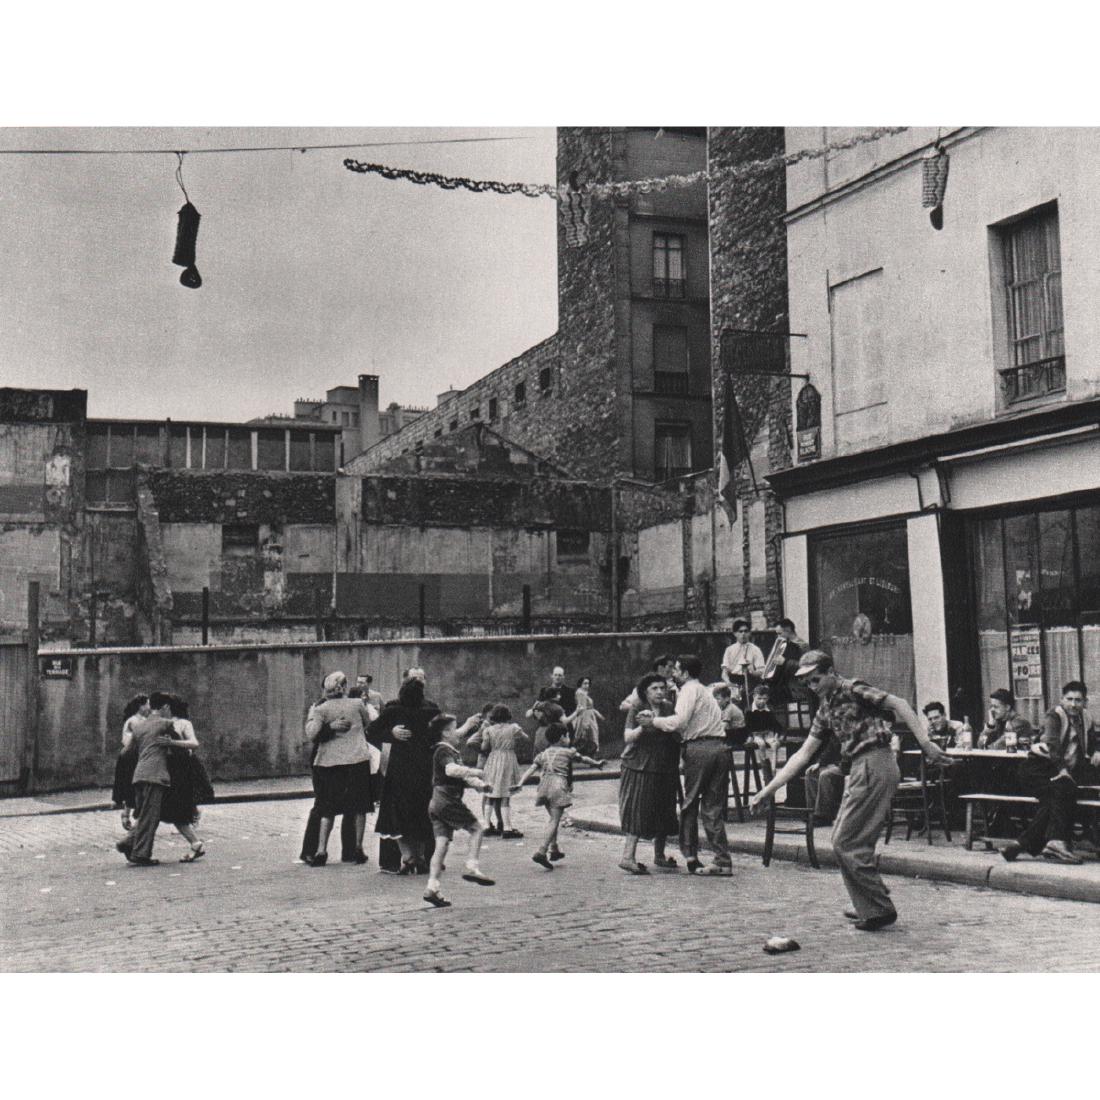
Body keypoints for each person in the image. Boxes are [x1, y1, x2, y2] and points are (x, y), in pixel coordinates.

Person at [749, 650, 953, 930]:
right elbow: (803, 754)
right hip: (860, 767)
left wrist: (926, 744)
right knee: (848, 838)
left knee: (845, 841)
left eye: (816, 679)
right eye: (807, 682)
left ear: (831, 672)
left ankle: (878, 908)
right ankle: (867, 903)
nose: (812, 686)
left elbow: (900, 704)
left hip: (875, 762)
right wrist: (768, 790)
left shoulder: (853, 687)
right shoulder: (825, 708)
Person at [639, 654, 733, 876]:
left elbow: (679, 722)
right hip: (719, 747)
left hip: (699, 749)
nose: (673, 672)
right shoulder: (704, 691)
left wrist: (653, 721)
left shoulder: (689, 690)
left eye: (677, 669)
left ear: (686, 672)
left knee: (690, 804)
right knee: (712, 807)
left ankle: (690, 855)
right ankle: (722, 860)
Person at [1001, 681, 1100, 865]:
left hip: (1056, 770)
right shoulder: (1054, 716)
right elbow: (1053, 745)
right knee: (1064, 791)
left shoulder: (1085, 717)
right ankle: (1055, 842)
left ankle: (1020, 845)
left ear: (1085, 702)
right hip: (1036, 769)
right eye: (1069, 699)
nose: (1073, 704)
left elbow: (1092, 739)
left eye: (1078, 700)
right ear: (1062, 699)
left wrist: (1097, 750)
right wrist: (1063, 770)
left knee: (1055, 800)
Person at [115, 691, 199, 866]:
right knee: (150, 818)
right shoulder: (166, 724)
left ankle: (127, 842)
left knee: (146, 814)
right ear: (165, 707)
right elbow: (186, 747)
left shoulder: (139, 726)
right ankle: (141, 854)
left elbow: (125, 753)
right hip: (156, 776)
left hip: (139, 775)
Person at [302, 672, 376, 867]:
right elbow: (369, 724)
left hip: (328, 762)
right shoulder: (355, 704)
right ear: (342, 687)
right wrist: (331, 727)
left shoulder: (320, 707)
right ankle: (354, 849)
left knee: (327, 807)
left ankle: (322, 850)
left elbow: (311, 733)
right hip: (355, 759)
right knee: (354, 806)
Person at [368, 676, 441, 874]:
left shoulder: (393, 712)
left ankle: (408, 857)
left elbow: (370, 732)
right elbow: (439, 737)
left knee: (397, 815)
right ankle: (420, 857)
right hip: (424, 769)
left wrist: (390, 734)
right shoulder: (431, 712)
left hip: (399, 770)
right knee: (420, 814)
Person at [423, 713, 496, 907]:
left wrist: (481, 786)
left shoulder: (448, 751)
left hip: (436, 801)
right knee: (477, 828)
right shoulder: (443, 751)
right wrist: (477, 772)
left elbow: (462, 777)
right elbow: (452, 771)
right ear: (446, 733)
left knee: (441, 845)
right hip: (447, 799)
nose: (458, 732)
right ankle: (472, 866)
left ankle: (432, 887)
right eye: (454, 728)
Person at [515, 722, 603, 870]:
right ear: (562, 737)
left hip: (543, 785)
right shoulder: (568, 752)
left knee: (552, 819)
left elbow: (531, 769)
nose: (568, 738)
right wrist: (597, 764)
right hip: (558, 785)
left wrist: (520, 783)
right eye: (567, 735)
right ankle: (542, 851)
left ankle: (554, 849)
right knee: (555, 820)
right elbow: (584, 759)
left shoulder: (543, 754)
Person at [618, 674, 680, 874]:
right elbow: (628, 737)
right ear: (646, 691)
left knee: (664, 808)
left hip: (664, 765)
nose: (660, 692)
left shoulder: (669, 707)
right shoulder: (637, 706)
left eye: (662, 688)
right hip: (640, 766)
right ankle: (628, 857)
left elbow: (677, 731)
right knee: (638, 809)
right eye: (655, 688)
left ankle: (659, 855)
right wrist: (642, 727)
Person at [159, 695, 212, 862]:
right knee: (171, 810)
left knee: (175, 811)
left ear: (168, 707)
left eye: (162, 707)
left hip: (182, 770)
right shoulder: (161, 724)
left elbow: (194, 743)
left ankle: (196, 843)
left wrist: (173, 743)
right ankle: (195, 841)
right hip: (170, 769)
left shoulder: (183, 723)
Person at [469, 704, 530, 839]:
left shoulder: (489, 730)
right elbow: (525, 738)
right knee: (505, 794)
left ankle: (486, 825)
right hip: (508, 759)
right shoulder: (513, 727)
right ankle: (507, 828)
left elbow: (485, 747)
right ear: (508, 716)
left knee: (491, 793)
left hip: (493, 759)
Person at [112, 693, 151, 831]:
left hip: (134, 756)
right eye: (147, 704)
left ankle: (127, 815)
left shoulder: (141, 720)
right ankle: (131, 816)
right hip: (132, 757)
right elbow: (134, 741)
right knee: (135, 786)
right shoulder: (135, 721)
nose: (149, 707)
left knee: (134, 787)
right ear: (141, 706)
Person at [762, 618, 806, 707]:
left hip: (795, 686)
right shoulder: (785, 644)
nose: (778, 637)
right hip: (784, 684)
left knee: (767, 695)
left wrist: (785, 662)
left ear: (788, 630)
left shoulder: (802, 645)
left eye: (780, 633)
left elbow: (805, 667)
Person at [721, 619, 765, 699]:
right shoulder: (729, 650)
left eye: (746, 631)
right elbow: (724, 673)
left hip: (751, 681)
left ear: (749, 633)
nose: (743, 634)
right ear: (735, 634)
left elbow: (761, 672)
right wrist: (729, 683)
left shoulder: (755, 650)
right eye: (740, 631)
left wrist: (752, 671)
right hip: (733, 681)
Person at [567, 676, 603, 758]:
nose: (587, 685)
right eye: (585, 683)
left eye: (588, 684)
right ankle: (584, 756)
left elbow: (590, 707)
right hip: (585, 717)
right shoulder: (580, 693)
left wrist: (596, 713)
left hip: (590, 716)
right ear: (580, 684)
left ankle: (591, 756)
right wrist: (585, 723)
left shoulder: (583, 693)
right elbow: (582, 708)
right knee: (589, 736)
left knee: (591, 736)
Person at [711, 682, 747, 748]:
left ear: (727, 698)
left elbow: (724, 726)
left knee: (716, 739)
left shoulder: (729, 709)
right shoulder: (724, 707)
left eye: (718, 699)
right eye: (715, 699)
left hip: (739, 734)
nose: (716, 701)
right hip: (735, 732)